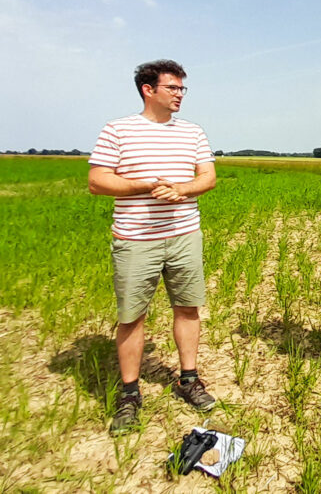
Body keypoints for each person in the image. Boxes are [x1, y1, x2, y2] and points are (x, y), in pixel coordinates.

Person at [88, 59, 218, 435]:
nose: (179, 95)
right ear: (149, 90)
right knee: (131, 316)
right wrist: (144, 185)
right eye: (172, 88)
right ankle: (130, 394)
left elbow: (207, 177)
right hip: (135, 240)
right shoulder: (118, 130)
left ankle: (188, 379)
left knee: (188, 307)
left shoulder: (192, 132)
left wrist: (180, 189)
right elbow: (98, 181)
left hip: (184, 236)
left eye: (182, 89)